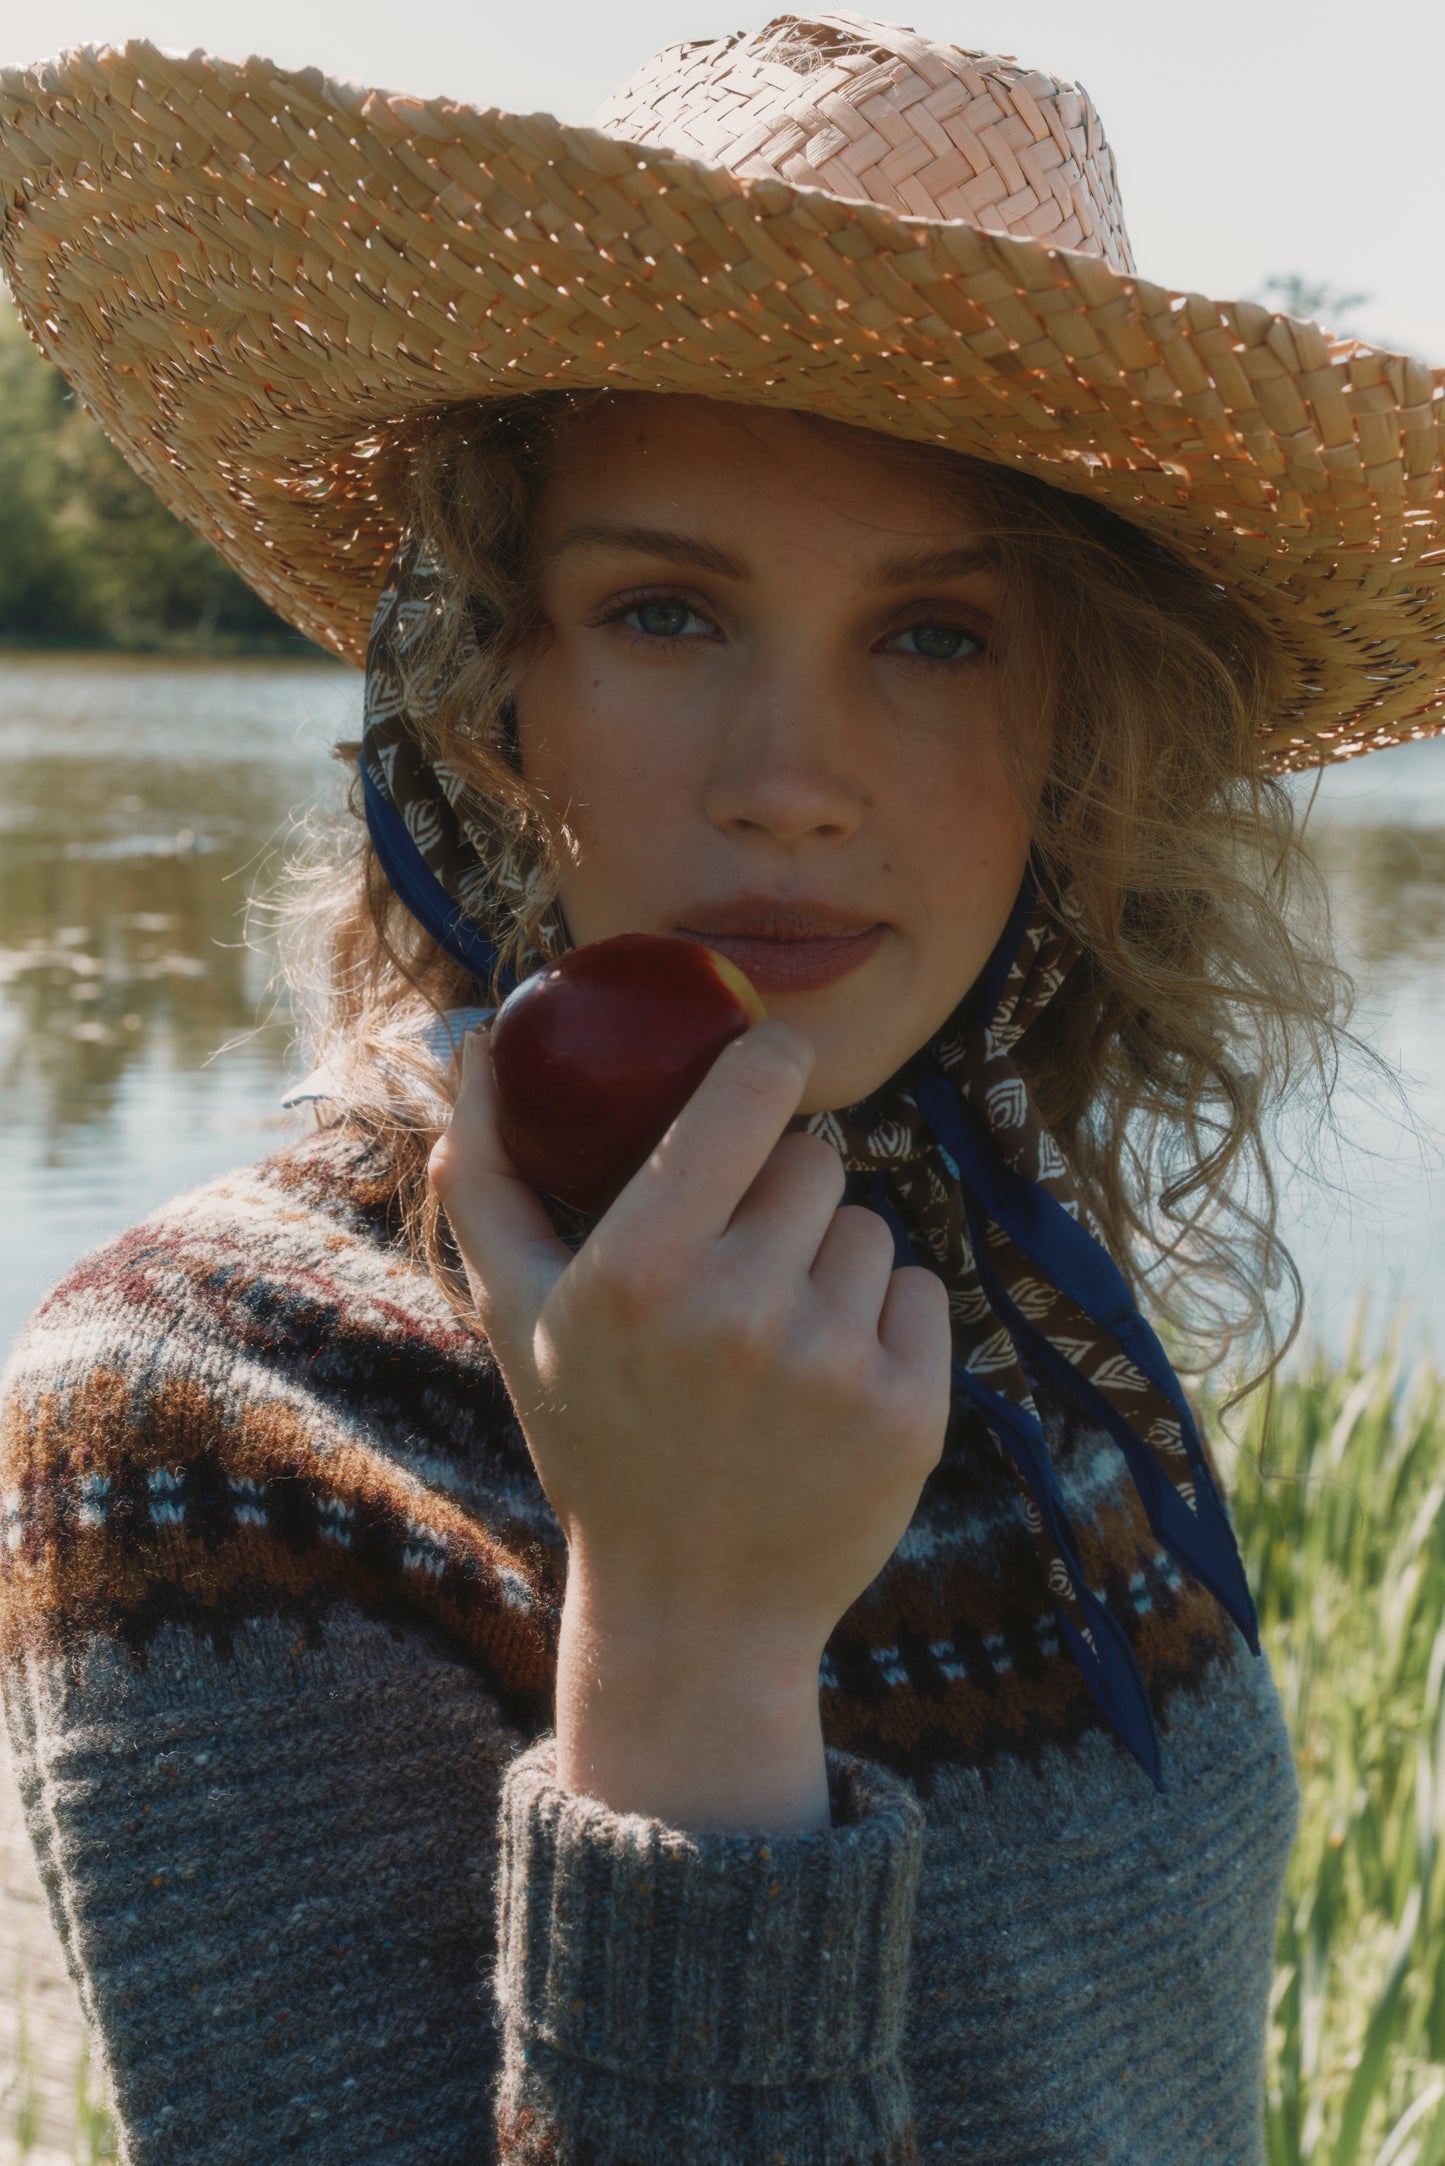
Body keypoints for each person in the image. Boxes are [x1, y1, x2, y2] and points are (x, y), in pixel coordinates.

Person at [0, 12, 1436, 2161]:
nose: (790, 785)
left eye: (936, 636)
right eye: (668, 611)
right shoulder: (226, 1416)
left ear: (1081, 732)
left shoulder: (1012, 1304)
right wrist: (687, 1645)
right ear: (495, 681)